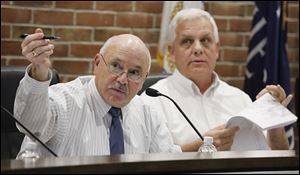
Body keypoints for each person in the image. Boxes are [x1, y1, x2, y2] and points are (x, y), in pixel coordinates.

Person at [141, 8, 293, 151]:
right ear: (171, 52)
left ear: (217, 50)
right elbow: (145, 160)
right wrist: (200, 147)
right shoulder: (152, 102)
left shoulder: (240, 99)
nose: (198, 49)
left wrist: (273, 119)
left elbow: (278, 158)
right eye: (187, 41)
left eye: (205, 40)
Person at [14, 28, 181, 157]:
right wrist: (39, 70)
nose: (123, 80)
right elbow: (31, 125)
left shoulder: (148, 113)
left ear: (144, 79)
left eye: (134, 73)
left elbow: (169, 162)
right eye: (116, 66)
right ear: (97, 63)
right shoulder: (63, 101)